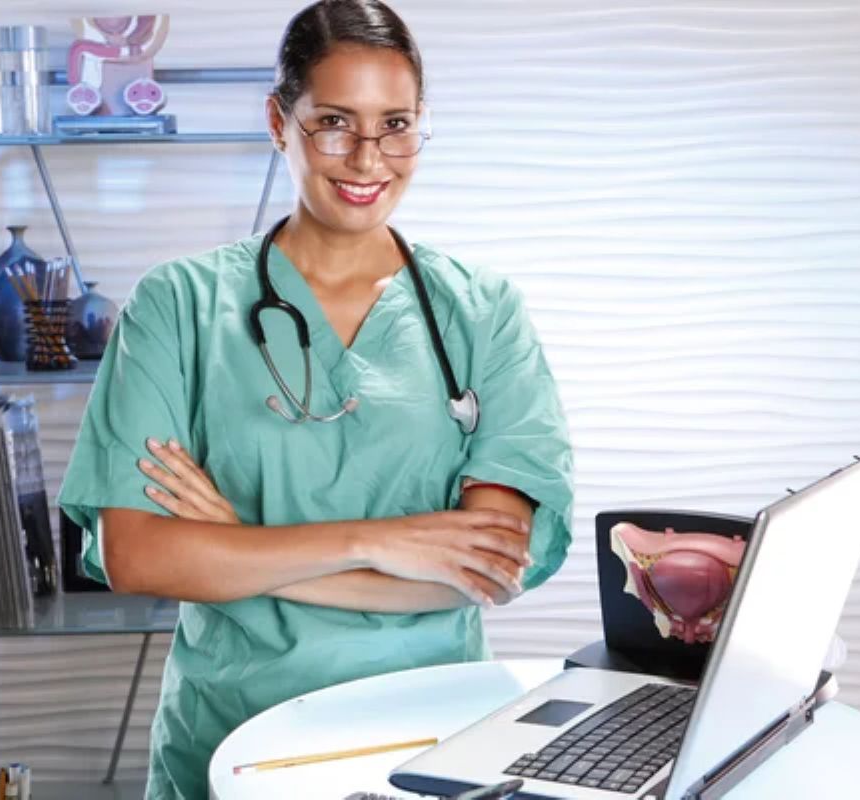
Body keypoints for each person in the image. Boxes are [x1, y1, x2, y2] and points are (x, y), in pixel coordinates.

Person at [57, 1, 573, 797]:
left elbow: (491, 567)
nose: (368, 159)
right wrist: (379, 541)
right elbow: (138, 554)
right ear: (279, 122)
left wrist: (241, 548)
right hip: (236, 734)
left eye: (395, 125)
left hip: (434, 737)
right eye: (334, 122)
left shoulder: (481, 311)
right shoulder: (180, 305)